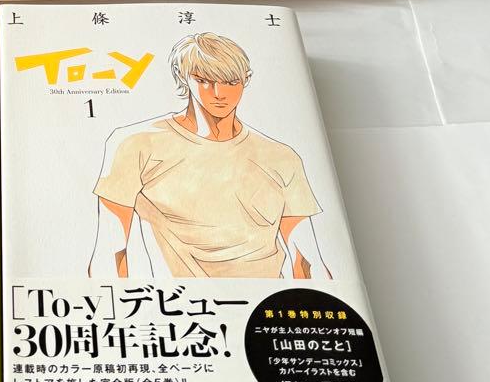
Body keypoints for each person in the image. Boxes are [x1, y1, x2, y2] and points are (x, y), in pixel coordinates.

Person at [89, 32, 329, 281]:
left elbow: (308, 260)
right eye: (204, 80)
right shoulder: (137, 144)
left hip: (268, 299)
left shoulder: (281, 158)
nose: (219, 93)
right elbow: (109, 251)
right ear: (183, 76)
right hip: (187, 301)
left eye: (231, 82)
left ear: (246, 80)